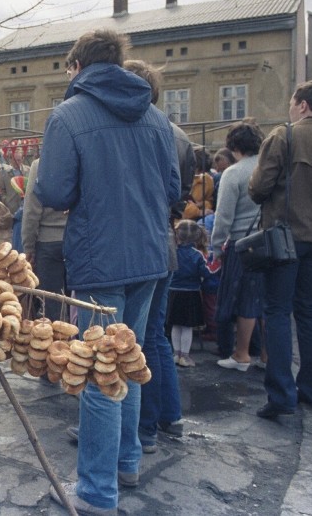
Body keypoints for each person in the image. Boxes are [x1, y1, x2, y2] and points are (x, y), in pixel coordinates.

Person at [36, 29, 180, 515]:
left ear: (77, 64)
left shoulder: (67, 115)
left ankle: (97, 492)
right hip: (150, 256)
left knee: (99, 371)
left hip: (99, 258)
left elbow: (54, 191)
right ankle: (127, 461)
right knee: (129, 360)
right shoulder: (158, 118)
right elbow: (174, 187)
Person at [248, 80, 312, 418]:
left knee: (277, 312)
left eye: (293, 102)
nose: (291, 108)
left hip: (283, 239)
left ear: (303, 105)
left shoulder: (284, 135)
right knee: (309, 312)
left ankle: (281, 396)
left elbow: (258, 188)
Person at [123, 59, 192, 453]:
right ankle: (171, 415)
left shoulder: (144, 128)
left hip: (138, 246)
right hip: (163, 243)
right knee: (157, 336)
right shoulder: (176, 133)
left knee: (136, 340)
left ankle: (143, 427)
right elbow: (177, 194)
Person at [211, 120, 267, 371]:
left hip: (242, 244)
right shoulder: (269, 167)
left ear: (233, 146)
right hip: (271, 241)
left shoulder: (233, 173)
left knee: (245, 299)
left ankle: (241, 353)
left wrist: (215, 247)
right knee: (268, 300)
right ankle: (267, 354)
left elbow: (223, 216)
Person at [20, 157, 68, 321]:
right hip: (77, 241)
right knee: (78, 304)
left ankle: (56, 344)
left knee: (52, 308)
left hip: (47, 243)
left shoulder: (40, 165)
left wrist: (28, 246)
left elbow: (32, 209)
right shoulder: (82, 158)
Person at [169, 220, 217, 367]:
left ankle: (175, 354)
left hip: (173, 292)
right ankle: (185, 356)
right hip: (191, 293)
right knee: (187, 327)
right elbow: (206, 273)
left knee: (175, 325)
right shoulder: (197, 255)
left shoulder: (173, 252)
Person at [0, 146, 28, 217]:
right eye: (15, 160)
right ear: (11, 159)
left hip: (25, 208)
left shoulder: (28, 171)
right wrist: (6, 200)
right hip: (11, 209)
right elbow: (0, 189)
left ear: (23, 159)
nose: (16, 163)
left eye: (19, 160)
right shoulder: (4, 173)